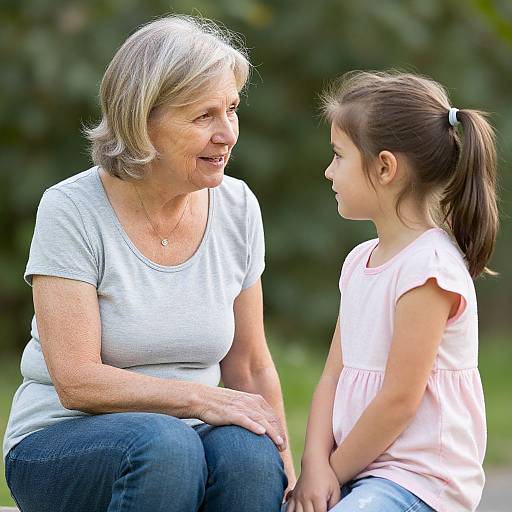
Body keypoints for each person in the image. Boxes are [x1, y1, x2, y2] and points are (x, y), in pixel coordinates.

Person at [3, 15, 295, 512]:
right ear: (142, 121)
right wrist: (202, 401)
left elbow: (248, 364)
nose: (227, 134)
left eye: (232, 110)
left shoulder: (238, 207)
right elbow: (76, 380)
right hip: (63, 441)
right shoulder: (71, 209)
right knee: (167, 447)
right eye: (204, 116)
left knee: (250, 453)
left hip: (188, 437)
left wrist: (287, 469)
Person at [284, 71, 498, 512]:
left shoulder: (429, 269)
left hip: (419, 480)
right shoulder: (359, 262)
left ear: (384, 167)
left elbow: (401, 399)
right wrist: (313, 465)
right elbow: (332, 376)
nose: (328, 171)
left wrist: (333, 472)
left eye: (338, 156)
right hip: (359, 468)